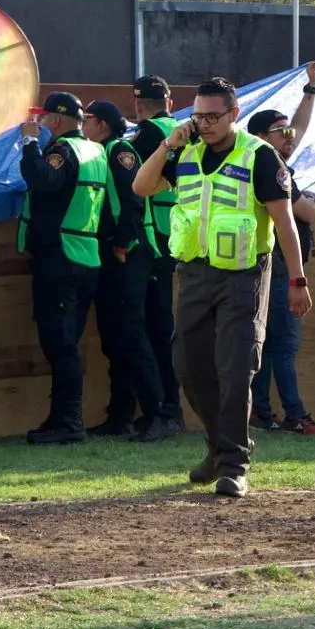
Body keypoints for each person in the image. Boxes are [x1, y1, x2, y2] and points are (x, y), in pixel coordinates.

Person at [132, 77, 308, 497]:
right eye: (198, 116)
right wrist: (168, 144)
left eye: (213, 116)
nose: (205, 123)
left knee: (235, 368)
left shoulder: (259, 156)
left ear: (234, 114)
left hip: (244, 276)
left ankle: (233, 465)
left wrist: (298, 280)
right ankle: (219, 447)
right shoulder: (185, 153)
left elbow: (285, 222)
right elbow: (141, 186)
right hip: (194, 274)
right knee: (188, 368)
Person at [17, 91, 108, 445]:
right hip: (86, 256)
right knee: (65, 341)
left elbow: (42, 181)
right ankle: (59, 418)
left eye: (42, 119)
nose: (39, 124)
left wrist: (28, 143)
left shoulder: (62, 151)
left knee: (61, 343)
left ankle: (70, 423)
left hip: (61, 258)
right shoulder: (96, 151)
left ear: (54, 121)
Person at [246, 65, 315, 435]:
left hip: (272, 270)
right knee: (283, 347)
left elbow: (301, 126)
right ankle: (293, 414)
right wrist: (307, 199)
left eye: (288, 132)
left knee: (268, 348)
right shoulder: (266, 166)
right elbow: (306, 210)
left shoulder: (265, 160)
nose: (291, 137)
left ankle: (262, 413)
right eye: (281, 133)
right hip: (278, 272)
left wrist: (311, 88)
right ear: (262, 137)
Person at [82, 99, 167, 442]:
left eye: (87, 120)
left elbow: (133, 199)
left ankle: (158, 414)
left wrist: (122, 244)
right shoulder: (100, 152)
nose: (83, 126)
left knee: (132, 335)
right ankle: (119, 416)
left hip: (130, 253)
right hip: (115, 254)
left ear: (102, 125)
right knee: (114, 337)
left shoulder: (120, 151)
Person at [119, 75, 185, 435]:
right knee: (162, 327)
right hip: (175, 236)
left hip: (151, 238)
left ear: (138, 104)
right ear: (169, 101)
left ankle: (162, 410)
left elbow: (134, 188)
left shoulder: (146, 135)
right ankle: (167, 410)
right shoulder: (179, 129)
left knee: (150, 327)